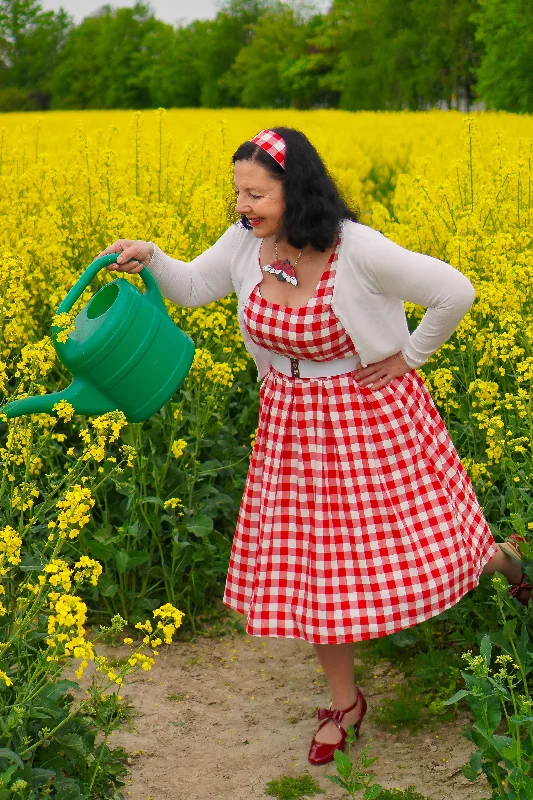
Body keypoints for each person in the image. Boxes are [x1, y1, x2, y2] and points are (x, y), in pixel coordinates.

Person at [97, 127, 531, 767]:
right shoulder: (249, 244)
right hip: (294, 427)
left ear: (295, 189)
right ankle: (344, 702)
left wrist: (408, 357)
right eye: (238, 192)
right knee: (323, 572)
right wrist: (151, 256)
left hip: (372, 417)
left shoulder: (357, 248)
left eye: (256, 193)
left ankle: (506, 565)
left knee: (437, 542)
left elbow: (455, 292)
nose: (242, 206)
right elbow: (192, 287)